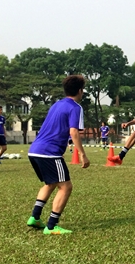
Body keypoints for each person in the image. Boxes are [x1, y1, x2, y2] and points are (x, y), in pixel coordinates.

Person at [27, 75, 90, 235]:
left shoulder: (57, 104)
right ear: (80, 91)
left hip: (34, 150)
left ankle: (35, 217)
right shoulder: (75, 107)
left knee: (51, 183)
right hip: (49, 152)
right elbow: (74, 132)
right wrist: (82, 154)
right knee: (66, 186)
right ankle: (51, 226)